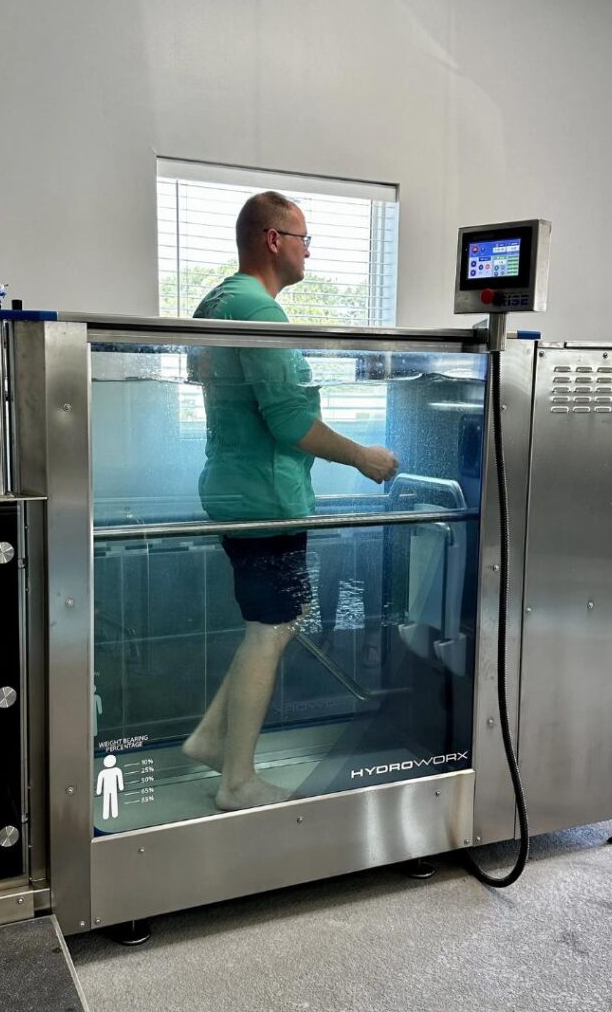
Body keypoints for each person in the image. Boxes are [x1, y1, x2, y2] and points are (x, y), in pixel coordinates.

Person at [182, 191, 399, 811]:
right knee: (270, 629)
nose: (309, 251)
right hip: (265, 498)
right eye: (304, 239)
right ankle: (237, 781)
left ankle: (208, 738)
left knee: (274, 622)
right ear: (274, 240)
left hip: (232, 488)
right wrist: (366, 458)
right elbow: (291, 424)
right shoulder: (261, 314)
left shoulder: (217, 301)